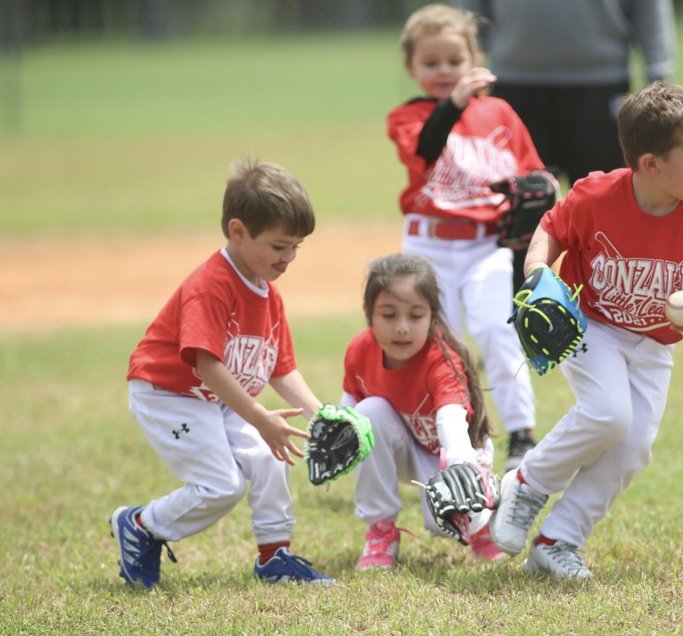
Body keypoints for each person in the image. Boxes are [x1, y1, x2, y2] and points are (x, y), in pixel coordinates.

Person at [489, 81, 683, 580]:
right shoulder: (597, 195)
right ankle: (526, 483)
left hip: (654, 342)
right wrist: (537, 274)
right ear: (651, 164)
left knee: (634, 446)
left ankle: (557, 541)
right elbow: (551, 228)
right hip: (592, 326)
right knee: (609, 414)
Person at [109, 159, 334, 588]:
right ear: (237, 231)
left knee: (271, 456)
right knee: (221, 487)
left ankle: (275, 557)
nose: (288, 258)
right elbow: (205, 364)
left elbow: (281, 368)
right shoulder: (211, 285)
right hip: (168, 394)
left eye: (295, 248)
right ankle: (141, 524)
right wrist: (259, 418)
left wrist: (320, 414)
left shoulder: (269, 294)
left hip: (214, 398)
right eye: (278, 245)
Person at [388, 3, 550, 472]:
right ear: (411, 68)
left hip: (487, 246)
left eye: (454, 61)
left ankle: (522, 435)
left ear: (474, 59)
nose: (444, 71)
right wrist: (455, 102)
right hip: (428, 247)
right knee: (440, 342)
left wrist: (544, 189)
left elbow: (534, 173)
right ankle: (455, 439)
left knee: (498, 335)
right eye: (431, 62)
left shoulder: (499, 112)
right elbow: (425, 149)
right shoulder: (408, 116)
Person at [454, 0, 678, 295]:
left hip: (600, 83)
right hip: (513, 82)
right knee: (522, 205)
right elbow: (470, 7)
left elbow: (649, 7)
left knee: (607, 205)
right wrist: (464, 63)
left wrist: (657, 70)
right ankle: (521, 311)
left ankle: (609, 308)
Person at [341, 252, 504, 569]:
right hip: (406, 448)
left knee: (442, 523)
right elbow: (350, 402)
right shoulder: (360, 349)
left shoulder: (440, 357)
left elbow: (451, 418)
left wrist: (460, 466)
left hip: (452, 452)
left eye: (415, 316)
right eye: (388, 315)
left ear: (432, 315)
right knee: (367, 413)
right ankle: (380, 532)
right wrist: (339, 430)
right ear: (368, 313)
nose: (402, 328)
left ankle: (483, 524)